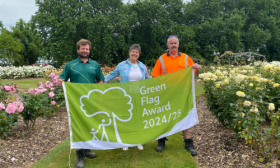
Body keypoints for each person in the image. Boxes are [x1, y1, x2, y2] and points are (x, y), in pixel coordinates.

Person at [57, 39, 104, 168]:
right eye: (82, 49)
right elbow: (62, 79)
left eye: (87, 49)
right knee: (78, 126)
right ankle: (80, 157)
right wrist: (60, 81)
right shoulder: (70, 65)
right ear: (78, 50)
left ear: (89, 50)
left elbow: (100, 81)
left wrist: (98, 95)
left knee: (89, 124)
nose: (85, 51)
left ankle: (87, 149)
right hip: (76, 102)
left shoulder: (95, 65)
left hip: (91, 101)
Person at [151, 35, 199, 156]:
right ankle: (161, 140)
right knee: (164, 116)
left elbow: (193, 72)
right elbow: (155, 76)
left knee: (184, 115)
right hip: (166, 93)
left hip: (182, 93)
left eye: (175, 43)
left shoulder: (186, 58)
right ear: (167, 45)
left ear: (178, 45)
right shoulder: (161, 59)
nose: (173, 45)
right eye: (171, 43)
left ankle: (188, 142)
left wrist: (196, 67)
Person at [104, 44, 150, 151]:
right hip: (125, 96)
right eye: (133, 51)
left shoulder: (142, 66)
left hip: (139, 96)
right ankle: (125, 141)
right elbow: (111, 75)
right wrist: (101, 81)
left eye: (137, 52)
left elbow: (148, 78)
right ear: (129, 52)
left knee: (137, 118)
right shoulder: (122, 65)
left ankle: (137, 140)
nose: (134, 54)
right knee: (125, 118)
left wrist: (162, 79)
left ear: (139, 54)